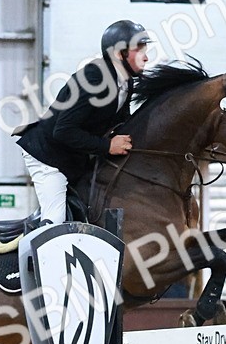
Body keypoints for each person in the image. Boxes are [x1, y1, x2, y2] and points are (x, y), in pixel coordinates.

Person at [15, 20, 151, 225]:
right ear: (119, 54)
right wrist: (107, 146)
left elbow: (121, 122)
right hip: (47, 156)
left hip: (75, 157)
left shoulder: (125, 81)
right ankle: (32, 252)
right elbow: (63, 131)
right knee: (55, 222)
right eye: (138, 50)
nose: (146, 57)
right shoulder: (95, 77)